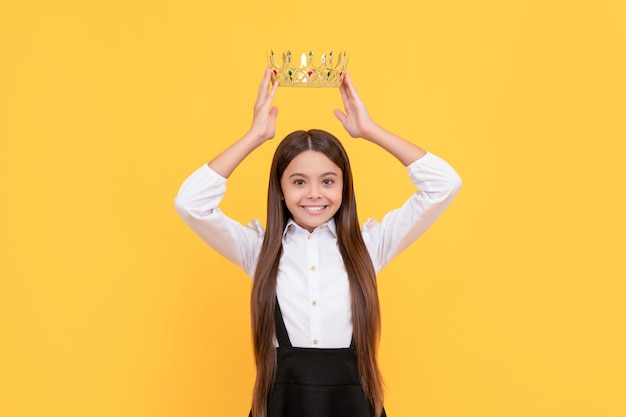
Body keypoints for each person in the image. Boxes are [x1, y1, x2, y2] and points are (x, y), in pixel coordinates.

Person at [174, 68, 462, 417]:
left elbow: (444, 185)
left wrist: (370, 131)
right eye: (298, 182)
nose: (314, 194)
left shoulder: (369, 245)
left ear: (344, 187)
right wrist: (254, 136)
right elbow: (190, 203)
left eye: (328, 181)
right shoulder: (259, 249)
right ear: (280, 189)